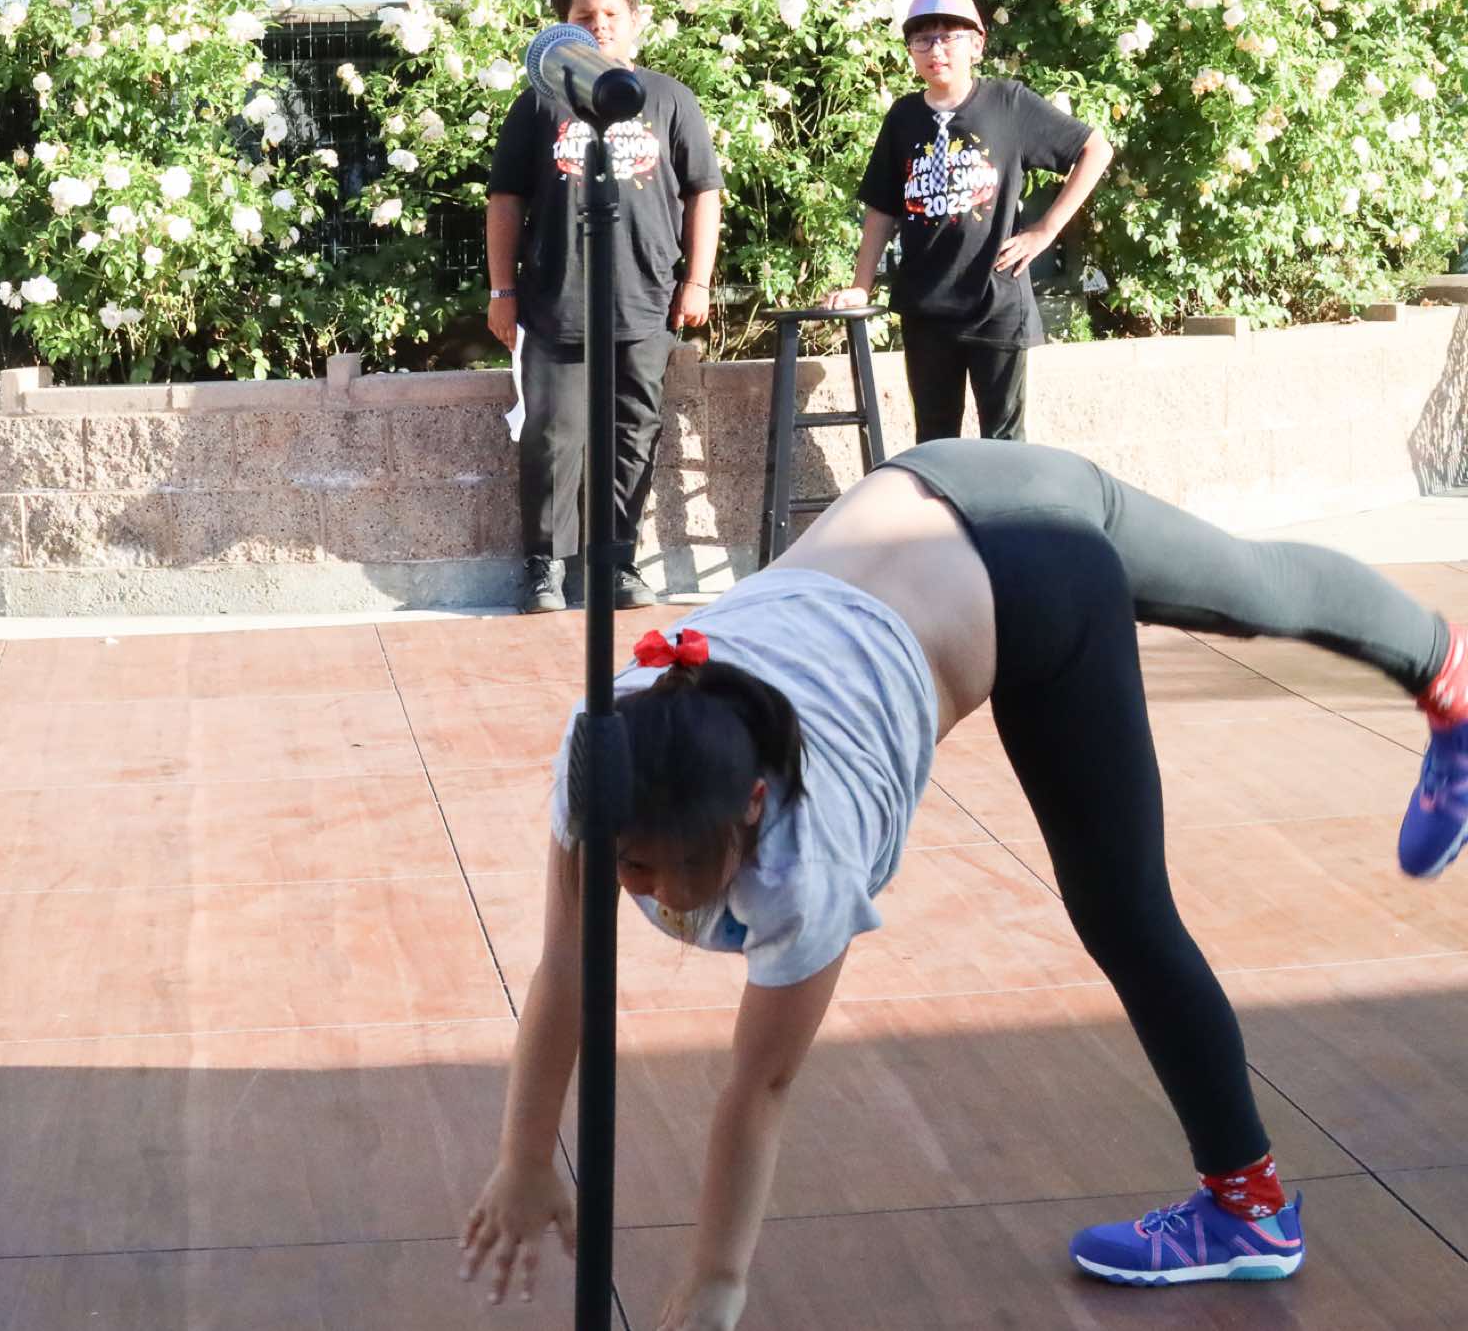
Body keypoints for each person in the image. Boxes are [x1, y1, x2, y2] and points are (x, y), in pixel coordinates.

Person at [457, 437, 1468, 1329]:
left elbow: (759, 1083)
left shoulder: (810, 859)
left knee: (1123, 907)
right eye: (619, 861)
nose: (628, 884)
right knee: (1249, 584)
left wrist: (718, 1278)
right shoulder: (608, 753)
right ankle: (1446, 675)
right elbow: (567, 967)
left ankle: (1249, 1212)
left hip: (1030, 572)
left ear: (753, 809)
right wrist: (524, 1153)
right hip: (934, 489)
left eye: (652, 870)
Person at [487, 0, 725, 615]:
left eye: (610, 15)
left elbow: (704, 192)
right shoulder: (539, 104)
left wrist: (697, 281)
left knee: (633, 432)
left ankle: (617, 563)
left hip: (645, 300)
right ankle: (544, 568)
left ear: (635, 21)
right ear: (564, 28)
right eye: (584, 18)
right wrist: (502, 291)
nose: (599, 27)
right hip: (556, 302)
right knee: (552, 436)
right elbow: (505, 198)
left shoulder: (670, 98)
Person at [823, 0, 1114, 443]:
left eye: (949, 38)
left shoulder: (1009, 104)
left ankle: (1001, 499)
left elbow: (1095, 149)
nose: (935, 50)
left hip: (995, 301)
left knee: (1003, 442)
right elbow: (882, 207)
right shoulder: (902, 117)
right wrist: (861, 285)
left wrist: (1045, 229)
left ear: (976, 45)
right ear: (911, 51)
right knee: (935, 442)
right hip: (925, 308)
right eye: (922, 40)